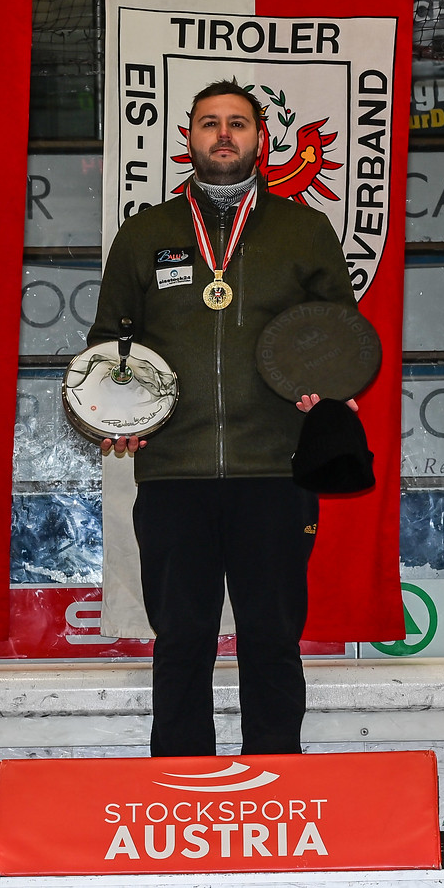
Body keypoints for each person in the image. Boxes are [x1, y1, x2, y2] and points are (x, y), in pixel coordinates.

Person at [89, 81, 355, 756]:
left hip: (275, 467)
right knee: (182, 639)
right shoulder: (146, 234)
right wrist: (115, 412)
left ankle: (276, 775)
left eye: (237, 123)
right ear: (189, 138)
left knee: (270, 635)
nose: (224, 134)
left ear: (260, 138)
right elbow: (107, 345)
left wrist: (325, 389)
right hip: (174, 470)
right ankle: (178, 783)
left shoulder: (303, 229)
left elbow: (341, 334)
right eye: (210, 123)